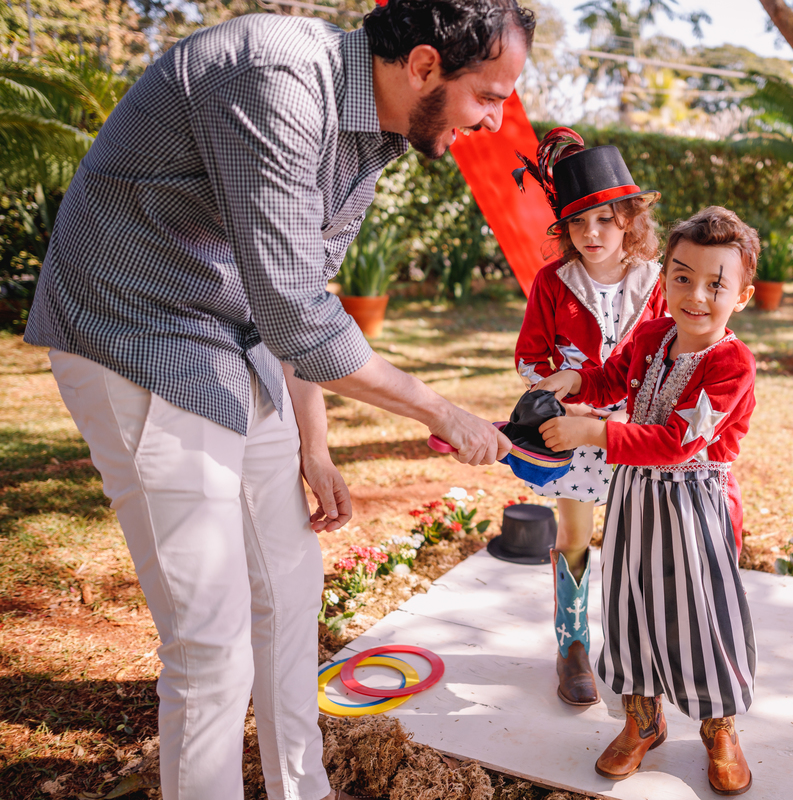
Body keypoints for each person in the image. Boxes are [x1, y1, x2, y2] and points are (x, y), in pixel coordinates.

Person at [22, 2, 532, 799]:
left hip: (231, 337)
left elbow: (298, 293)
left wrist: (314, 446)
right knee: (211, 643)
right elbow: (295, 309)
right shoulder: (280, 78)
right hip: (136, 332)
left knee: (289, 596)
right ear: (426, 66)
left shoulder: (377, 132)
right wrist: (443, 412)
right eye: (490, 96)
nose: (496, 120)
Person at [534, 207, 760, 796]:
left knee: (702, 617)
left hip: (696, 510)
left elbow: (675, 442)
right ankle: (644, 717)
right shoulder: (654, 335)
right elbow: (614, 378)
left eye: (718, 284)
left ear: (744, 294)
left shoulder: (731, 364)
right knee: (632, 606)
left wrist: (592, 433)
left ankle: (719, 725)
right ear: (664, 279)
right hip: (635, 498)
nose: (697, 295)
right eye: (682, 277)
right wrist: (575, 383)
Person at [510, 127, 666, 707]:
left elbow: (676, 351)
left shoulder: (660, 283)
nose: (591, 233)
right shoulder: (553, 283)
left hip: (638, 435)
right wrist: (556, 392)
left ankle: (638, 649)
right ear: (565, 230)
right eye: (578, 223)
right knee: (575, 536)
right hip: (572, 435)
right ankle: (572, 647)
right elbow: (529, 356)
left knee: (638, 538)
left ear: (628, 218)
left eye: (604, 219)